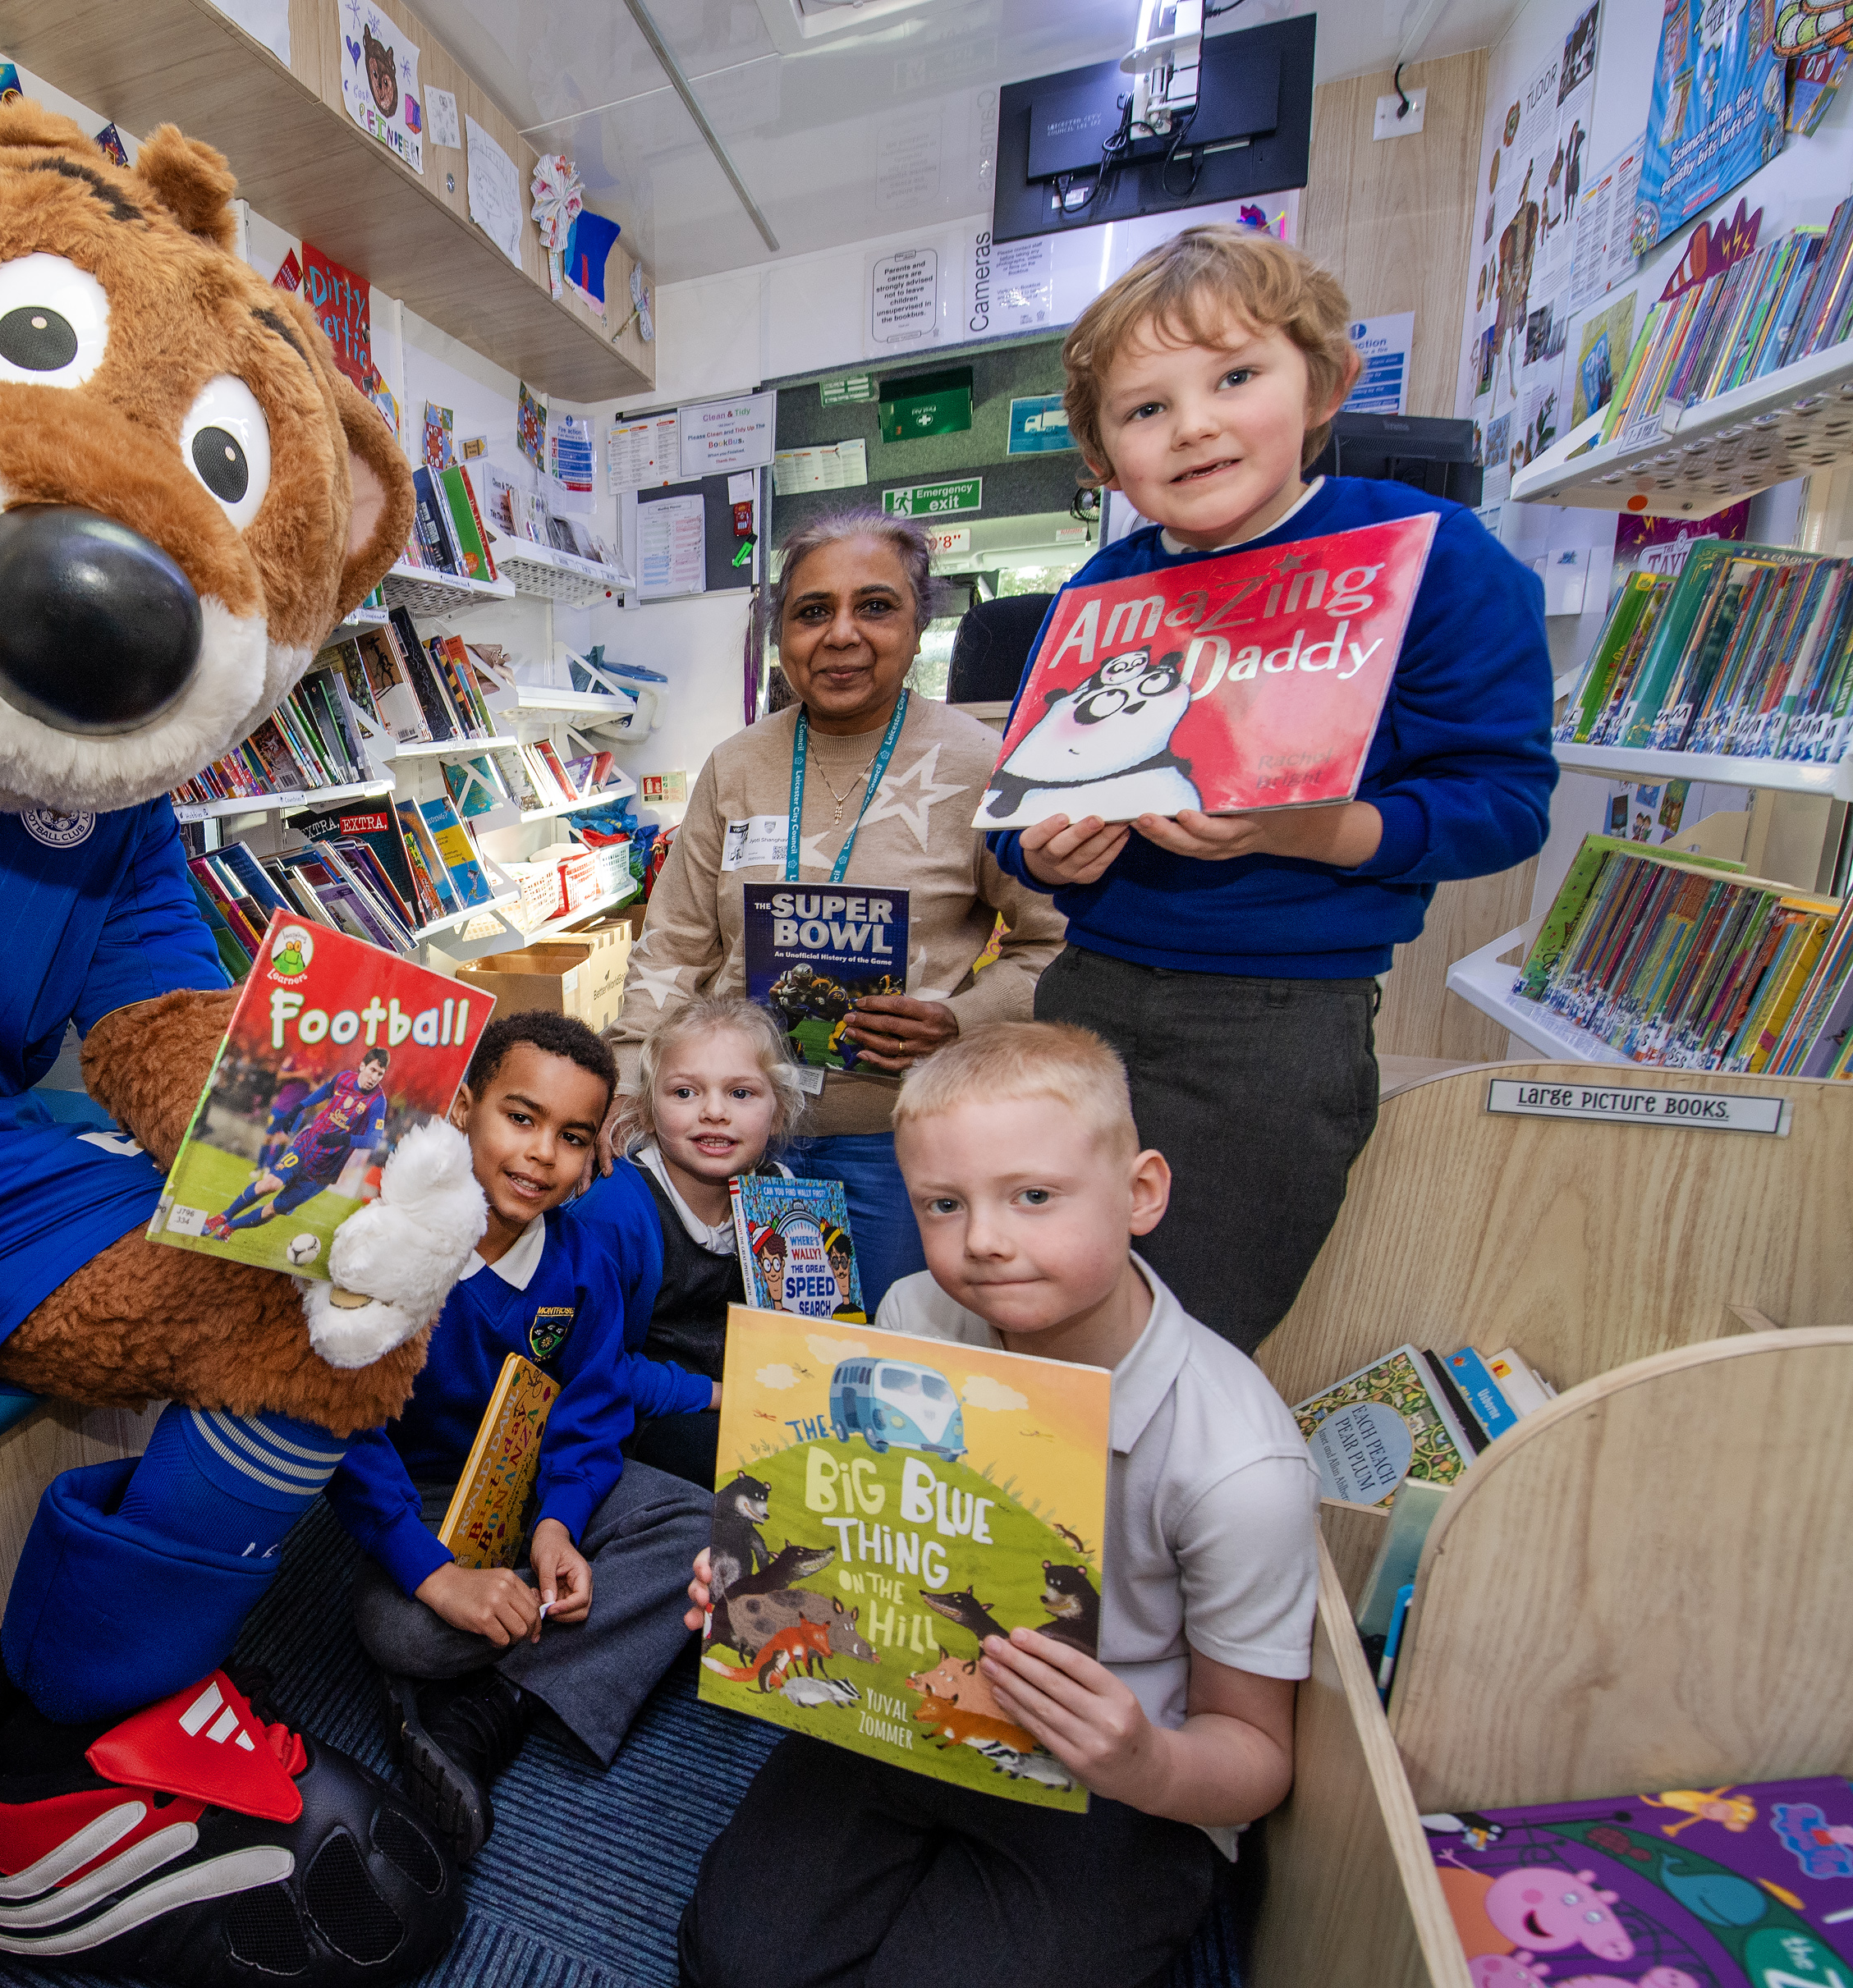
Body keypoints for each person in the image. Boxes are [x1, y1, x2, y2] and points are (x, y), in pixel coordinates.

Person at [1003, 225, 1557, 1350]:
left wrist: (1320, 831)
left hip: (1279, 1018)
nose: (1193, 425)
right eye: (1145, 408)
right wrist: (1040, 853)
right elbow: (1021, 811)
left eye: (1235, 377)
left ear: (1325, 383)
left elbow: (1504, 799)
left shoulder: (1428, 555)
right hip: (1087, 992)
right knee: (1032, 1298)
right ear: (1103, 458)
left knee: (1191, 1333)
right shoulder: (1100, 590)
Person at [679, 1021, 1318, 1988]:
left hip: (1116, 1771)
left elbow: (1257, 1753)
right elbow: (874, 1535)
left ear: (1141, 1192)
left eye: (1033, 1196)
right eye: (943, 1203)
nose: (982, 1239)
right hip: (910, 1697)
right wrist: (756, 1577)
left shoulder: (1238, 1463)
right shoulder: (911, 1317)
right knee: (734, 1965)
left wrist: (1142, 1761)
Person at [608, 511, 1066, 1304]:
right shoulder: (736, 765)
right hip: (723, 1139)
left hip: (890, 1141)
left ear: (918, 626)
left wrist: (960, 1019)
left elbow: (1054, 946)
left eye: (876, 606)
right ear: (782, 636)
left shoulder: (981, 764)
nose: (841, 634)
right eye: (812, 611)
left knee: (871, 1343)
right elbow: (674, 944)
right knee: (723, 1345)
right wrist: (625, 1081)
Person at [327, 1013, 713, 1862]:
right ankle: (519, 1652)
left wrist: (558, 1525)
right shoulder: (387, 1242)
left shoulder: (583, 1260)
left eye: (572, 1136)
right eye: (521, 1117)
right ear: (464, 1108)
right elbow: (348, 1431)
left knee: (706, 1531)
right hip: (425, 1497)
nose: (542, 1155)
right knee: (402, 1627)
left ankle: (487, 1707)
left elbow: (593, 1411)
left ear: (594, 1151)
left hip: (537, 1486)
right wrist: (436, 1576)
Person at [576, 994, 805, 1486]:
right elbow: (593, 1367)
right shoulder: (617, 1211)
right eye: (685, 1092)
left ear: (778, 1111)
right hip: (641, 1417)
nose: (714, 1112)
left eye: (741, 1093)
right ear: (646, 1110)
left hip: (753, 1402)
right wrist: (725, 1396)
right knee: (753, 1469)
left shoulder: (783, 1196)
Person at [204, 1045, 391, 1239]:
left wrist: (343, 1139)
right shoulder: (344, 1078)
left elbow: (373, 1140)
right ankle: (223, 1217)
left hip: (324, 1171)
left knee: (274, 1209)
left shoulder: (378, 1102)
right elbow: (325, 1091)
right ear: (362, 1066)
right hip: (307, 1146)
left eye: (380, 1074)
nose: (374, 1077)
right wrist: (298, 1108)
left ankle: (230, 1228)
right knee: (270, 1184)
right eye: (372, 1070)